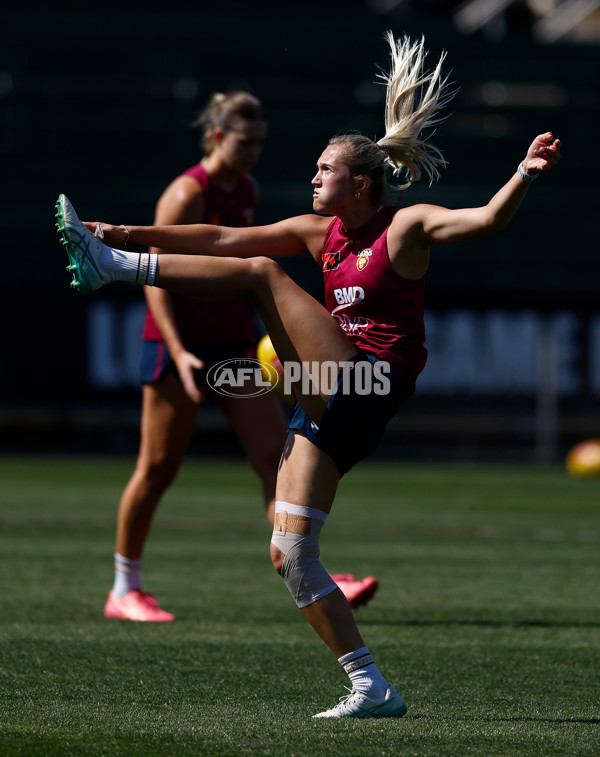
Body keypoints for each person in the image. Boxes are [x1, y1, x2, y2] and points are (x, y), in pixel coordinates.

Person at [56, 31, 561, 718]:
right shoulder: (319, 233)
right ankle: (370, 685)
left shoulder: (403, 226)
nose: (314, 175)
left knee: (263, 277)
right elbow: (219, 239)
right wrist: (125, 230)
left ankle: (110, 275)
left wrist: (525, 173)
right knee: (290, 552)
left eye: (327, 169)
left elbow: (487, 219)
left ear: (360, 182)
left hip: (369, 381)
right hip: (331, 398)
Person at [99, 91, 378, 623]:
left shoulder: (245, 187)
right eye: (245, 142)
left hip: (232, 345)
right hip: (176, 345)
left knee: (274, 456)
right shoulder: (187, 191)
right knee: (157, 467)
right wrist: (178, 351)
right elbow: (157, 278)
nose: (253, 152)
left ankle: (307, 562)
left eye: (260, 143)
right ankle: (124, 587)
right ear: (219, 137)